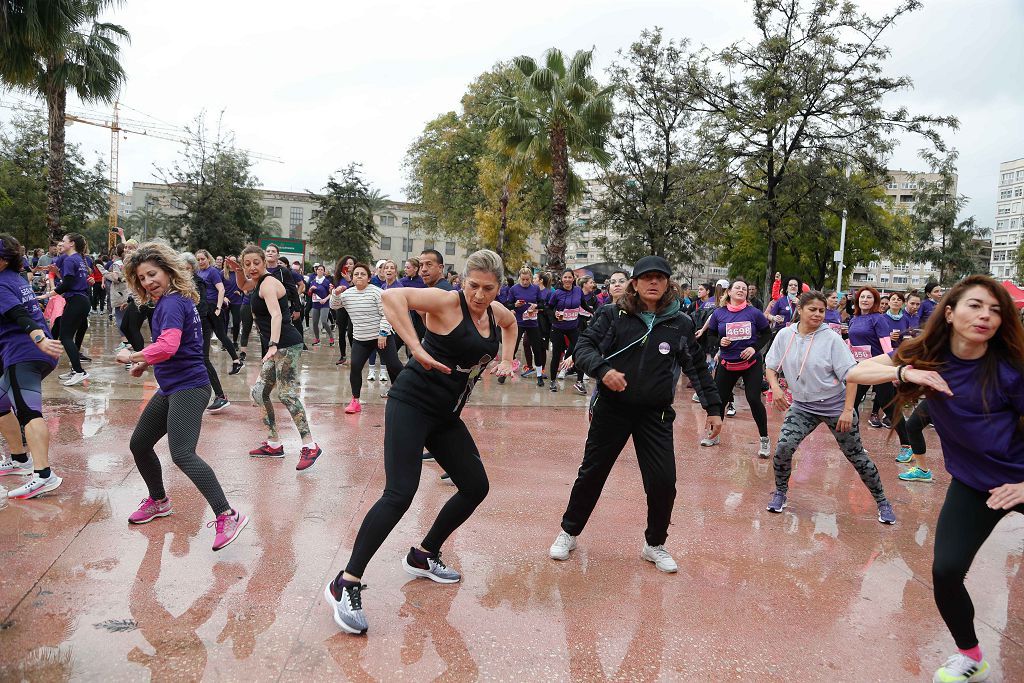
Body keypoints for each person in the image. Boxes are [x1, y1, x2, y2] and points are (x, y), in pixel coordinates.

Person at [324, 249, 517, 635]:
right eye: (473, 285)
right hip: (411, 403)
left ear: (499, 288)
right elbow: (393, 297)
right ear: (463, 281)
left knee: (475, 486)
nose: (479, 295)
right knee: (400, 493)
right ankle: (345, 581)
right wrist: (415, 346)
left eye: (488, 288)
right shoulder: (447, 301)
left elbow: (512, 326)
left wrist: (508, 359)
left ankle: (424, 554)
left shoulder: (496, 314)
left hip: (446, 416)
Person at [846, 275, 1024, 683]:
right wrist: (909, 374)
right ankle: (972, 657)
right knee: (945, 571)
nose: (985, 316)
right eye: (975, 305)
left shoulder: (1010, 370)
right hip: (975, 484)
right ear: (949, 312)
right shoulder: (928, 355)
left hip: (1020, 477)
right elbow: (857, 372)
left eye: (996, 310)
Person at [548, 256, 723, 573]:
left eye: (660, 277)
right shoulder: (613, 314)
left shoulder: (680, 322)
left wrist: (713, 407)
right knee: (592, 475)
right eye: (647, 277)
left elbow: (696, 366)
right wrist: (603, 371)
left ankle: (654, 544)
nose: (653, 282)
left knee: (663, 482)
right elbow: (584, 346)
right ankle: (569, 532)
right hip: (612, 409)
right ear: (635, 282)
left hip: (654, 414)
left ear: (668, 283)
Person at [116, 243, 248, 551]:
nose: (148, 281)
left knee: (183, 454)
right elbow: (169, 346)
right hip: (172, 386)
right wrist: (145, 362)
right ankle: (159, 501)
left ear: (168, 271)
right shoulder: (167, 302)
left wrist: (133, 355)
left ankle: (228, 514)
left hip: (189, 387)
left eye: (153, 274)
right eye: (142, 277)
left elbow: (169, 345)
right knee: (139, 443)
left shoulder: (173, 302)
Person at [764, 291, 896, 524]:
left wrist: (847, 410)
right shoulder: (785, 335)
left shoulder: (832, 339)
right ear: (800, 310)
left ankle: (883, 502)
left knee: (856, 456)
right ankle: (780, 493)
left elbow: (852, 375)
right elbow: (771, 367)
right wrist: (776, 388)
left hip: (836, 406)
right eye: (812, 309)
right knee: (783, 447)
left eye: (822, 311)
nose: (817, 314)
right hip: (803, 406)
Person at [228, 247, 322, 470]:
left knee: (287, 394)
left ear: (264, 262)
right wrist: (239, 271)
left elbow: (277, 315)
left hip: (287, 344)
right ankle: (273, 444)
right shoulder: (257, 282)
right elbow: (242, 286)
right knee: (260, 392)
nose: (252, 267)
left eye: (255, 263)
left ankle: (310, 446)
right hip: (277, 346)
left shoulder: (268, 283)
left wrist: (272, 344)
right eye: (247, 263)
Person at [0, 234, 65, 499]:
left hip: (24, 351)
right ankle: (18, 459)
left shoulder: (2, 283)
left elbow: (19, 315)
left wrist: (38, 338)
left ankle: (44, 475)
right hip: (33, 350)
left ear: (3, 261)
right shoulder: (15, 278)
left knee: (28, 411)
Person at [698, 278, 772, 455]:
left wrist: (753, 348)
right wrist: (719, 342)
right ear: (729, 292)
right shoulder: (719, 313)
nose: (741, 290)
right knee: (719, 401)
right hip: (728, 363)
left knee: (753, 399)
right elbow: (711, 335)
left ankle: (764, 439)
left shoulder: (754, 313)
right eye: (737, 288)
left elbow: (767, 333)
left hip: (750, 363)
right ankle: (714, 435)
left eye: (744, 289)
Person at [847, 287, 911, 457]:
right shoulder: (855, 319)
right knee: (851, 406)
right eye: (862, 297)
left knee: (888, 407)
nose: (865, 300)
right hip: (860, 369)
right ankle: (854, 444)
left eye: (869, 297)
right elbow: (852, 345)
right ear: (857, 300)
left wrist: (891, 372)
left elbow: (887, 347)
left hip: (878, 368)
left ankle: (907, 445)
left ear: (875, 301)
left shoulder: (878, 319)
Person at [338, 263, 404, 414]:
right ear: (352, 278)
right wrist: (336, 293)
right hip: (361, 339)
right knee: (355, 367)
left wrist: (382, 333)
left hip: (382, 337)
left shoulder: (377, 292)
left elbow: (387, 314)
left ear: (369, 278)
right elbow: (334, 305)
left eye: (363, 274)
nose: (359, 276)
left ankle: (403, 394)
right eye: (356, 274)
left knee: (394, 366)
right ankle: (355, 401)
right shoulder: (347, 294)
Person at [36, 232, 91, 386]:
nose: (61, 243)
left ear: (71, 243)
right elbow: (70, 280)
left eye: (64, 241)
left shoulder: (69, 260)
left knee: (65, 337)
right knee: (67, 336)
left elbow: (66, 285)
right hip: (81, 300)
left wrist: (46, 295)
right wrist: (57, 273)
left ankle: (80, 371)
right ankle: (76, 370)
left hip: (76, 300)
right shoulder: (78, 259)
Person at [181, 253, 230, 413]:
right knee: (187, 359)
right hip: (190, 325)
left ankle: (221, 396)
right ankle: (187, 394)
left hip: (201, 324)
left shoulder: (198, 282)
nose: (184, 271)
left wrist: (192, 323)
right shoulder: (182, 282)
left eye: (187, 268)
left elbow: (200, 307)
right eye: (182, 269)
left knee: (202, 359)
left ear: (192, 268)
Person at [195, 250, 244, 377]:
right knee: (205, 336)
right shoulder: (198, 272)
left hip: (213, 307)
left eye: (203, 259)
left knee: (221, 335)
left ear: (208, 259)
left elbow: (221, 289)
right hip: (204, 307)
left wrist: (218, 307)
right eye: (198, 259)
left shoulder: (213, 272)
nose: (200, 261)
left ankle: (236, 360)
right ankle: (204, 363)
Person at [507, 267, 547, 387]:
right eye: (523, 279)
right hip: (519, 322)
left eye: (527, 279)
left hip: (532, 323)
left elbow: (542, 304)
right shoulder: (514, 289)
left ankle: (539, 376)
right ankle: (505, 372)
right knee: (513, 348)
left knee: (537, 348)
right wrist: (515, 304)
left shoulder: (535, 288)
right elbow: (508, 305)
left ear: (530, 278)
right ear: (519, 277)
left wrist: (536, 306)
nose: (525, 282)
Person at [548, 270, 586, 394]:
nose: (568, 280)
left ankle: (579, 382)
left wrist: (594, 311)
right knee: (556, 354)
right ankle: (553, 381)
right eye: (565, 277)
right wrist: (555, 314)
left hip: (573, 327)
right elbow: (549, 308)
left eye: (570, 277)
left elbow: (584, 305)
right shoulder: (557, 293)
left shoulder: (578, 291)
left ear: (573, 278)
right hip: (558, 327)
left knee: (579, 352)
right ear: (562, 279)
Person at [367, 260, 403, 383]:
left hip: (397, 329)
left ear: (396, 271)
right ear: (382, 271)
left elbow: (397, 311)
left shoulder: (399, 288)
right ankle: (395, 388)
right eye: (386, 268)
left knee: (393, 363)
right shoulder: (383, 287)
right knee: (390, 362)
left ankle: (407, 386)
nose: (388, 270)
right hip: (385, 327)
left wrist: (384, 331)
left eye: (392, 268)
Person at [333, 255, 356, 363]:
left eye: (351, 264)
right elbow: (335, 293)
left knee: (351, 333)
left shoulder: (357, 276)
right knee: (341, 332)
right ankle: (342, 356)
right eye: (346, 263)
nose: (348, 266)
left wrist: (350, 280)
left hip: (353, 308)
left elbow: (358, 291)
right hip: (341, 307)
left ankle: (355, 356)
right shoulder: (338, 277)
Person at [307, 264, 335, 347]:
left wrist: (325, 299)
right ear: (316, 271)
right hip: (315, 304)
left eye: (321, 269)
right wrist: (310, 289)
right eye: (318, 269)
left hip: (324, 304)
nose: (319, 271)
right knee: (315, 323)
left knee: (323, 321)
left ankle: (331, 337)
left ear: (324, 271)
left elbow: (331, 294)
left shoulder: (327, 281)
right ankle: (317, 339)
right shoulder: (313, 281)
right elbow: (309, 294)